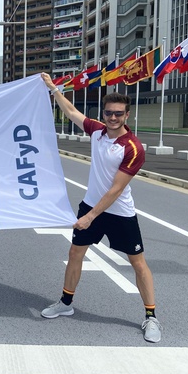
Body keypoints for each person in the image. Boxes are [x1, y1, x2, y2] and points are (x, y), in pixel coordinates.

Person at [40, 72, 162, 343]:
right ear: (104, 114)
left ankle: (151, 317)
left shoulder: (133, 147)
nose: (113, 117)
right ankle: (65, 303)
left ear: (127, 115)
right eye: (108, 113)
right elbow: (71, 111)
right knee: (75, 253)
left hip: (119, 213)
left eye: (118, 113)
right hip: (91, 206)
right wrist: (52, 89)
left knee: (138, 263)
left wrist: (89, 217)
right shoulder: (96, 131)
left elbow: (116, 190)